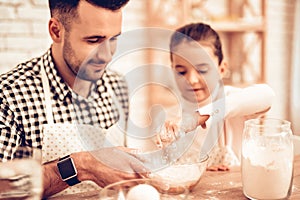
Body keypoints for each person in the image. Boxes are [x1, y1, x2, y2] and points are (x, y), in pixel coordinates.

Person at [0, 0, 148, 198]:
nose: (107, 55)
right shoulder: (11, 95)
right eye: (94, 40)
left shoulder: (116, 86)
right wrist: (81, 166)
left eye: (114, 40)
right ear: (56, 31)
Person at [156, 22, 275, 171]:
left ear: (222, 69)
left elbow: (267, 95)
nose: (192, 80)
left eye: (202, 69)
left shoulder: (232, 99)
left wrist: (199, 116)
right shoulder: (173, 116)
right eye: (181, 72)